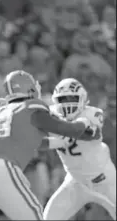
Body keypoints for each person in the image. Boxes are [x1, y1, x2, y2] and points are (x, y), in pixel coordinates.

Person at [0, 70, 100, 220]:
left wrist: (60, 142)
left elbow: (28, 141)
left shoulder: (0, 112)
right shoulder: (31, 109)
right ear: (31, 88)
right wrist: (85, 122)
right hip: (1, 169)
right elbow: (67, 129)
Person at [42, 78, 116, 220]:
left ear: (83, 98)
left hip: (103, 180)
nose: (67, 103)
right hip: (75, 181)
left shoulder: (92, 113)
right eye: (63, 99)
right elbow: (40, 142)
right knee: (49, 218)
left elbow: (86, 134)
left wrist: (56, 137)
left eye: (72, 98)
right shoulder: (51, 115)